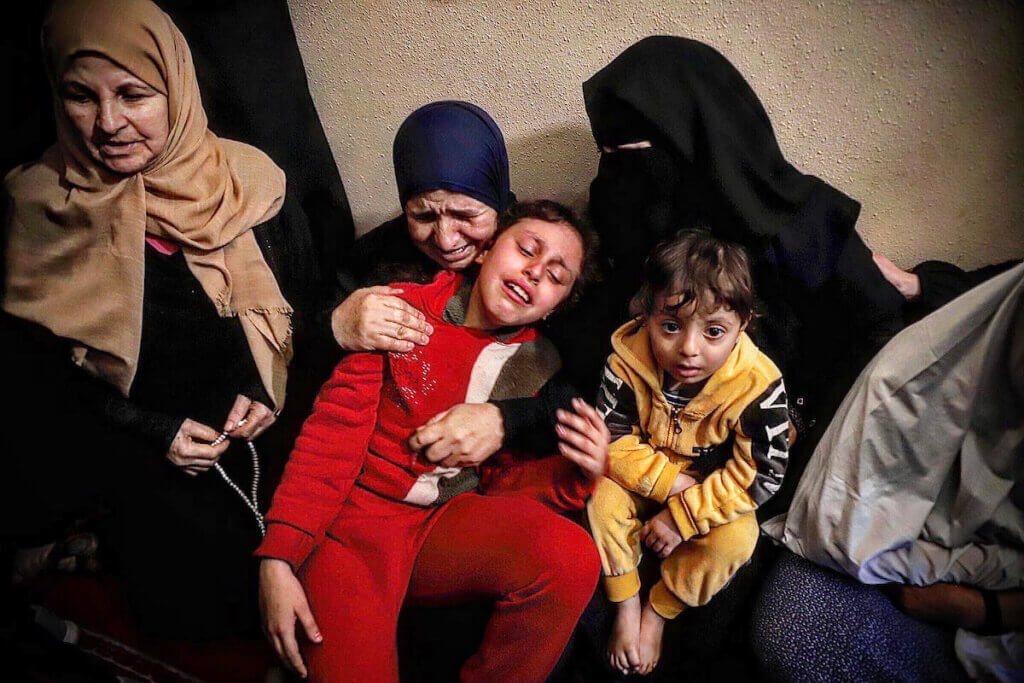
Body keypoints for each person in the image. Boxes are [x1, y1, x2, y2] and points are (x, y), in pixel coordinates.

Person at [2, 0, 294, 638]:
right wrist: (151, 429)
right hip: (135, 465)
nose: (108, 124)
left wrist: (265, 386)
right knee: (191, 619)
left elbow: (288, 310)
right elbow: (34, 385)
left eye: (134, 95)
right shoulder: (35, 209)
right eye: (80, 96)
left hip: (262, 445)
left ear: (178, 90)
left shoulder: (248, 184)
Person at [257, 200, 607, 681]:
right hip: (354, 530)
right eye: (526, 249)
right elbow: (330, 437)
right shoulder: (399, 311)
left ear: (557, 307)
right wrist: (280, 556)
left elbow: (503, 483)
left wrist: (579, 475)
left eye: (555, 276)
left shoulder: (537, 366)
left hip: (443, 525)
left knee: (572, 556)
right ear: (485, 251)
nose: (532, 272)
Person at [333, 100, 583, 481]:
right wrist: (336, 324)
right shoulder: (374, 258)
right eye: (423, 216)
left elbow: (596, 379)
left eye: (466, 216)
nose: (446, 240)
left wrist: (506, 420)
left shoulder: (537, 254)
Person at [587, 230, 789, 676]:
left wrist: (684, 515)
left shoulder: (757, 383)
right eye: (671, 326)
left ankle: (658, 610)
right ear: (648, 315)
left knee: (739, 538)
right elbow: (610, 440)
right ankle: (626, 599)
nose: (689, 348)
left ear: (743, 327)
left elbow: (761, 475)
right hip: (643, 476)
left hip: (708, 491)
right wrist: (670, 485)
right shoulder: (627, 358)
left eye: (714, 331)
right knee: (598, 493)